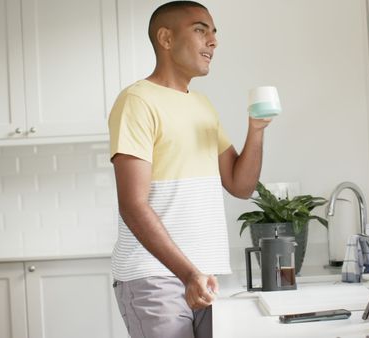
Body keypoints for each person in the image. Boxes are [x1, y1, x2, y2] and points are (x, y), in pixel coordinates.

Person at [107, 1, 271, 337]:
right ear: (165, 38)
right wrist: (187, 274)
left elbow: (240, 185)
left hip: (206, 276)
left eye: (214, 33)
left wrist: (256, 130)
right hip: (154, 277)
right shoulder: (137, 101)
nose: (213, 41)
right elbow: (133, 205)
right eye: (200, 30)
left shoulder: (201, 105)